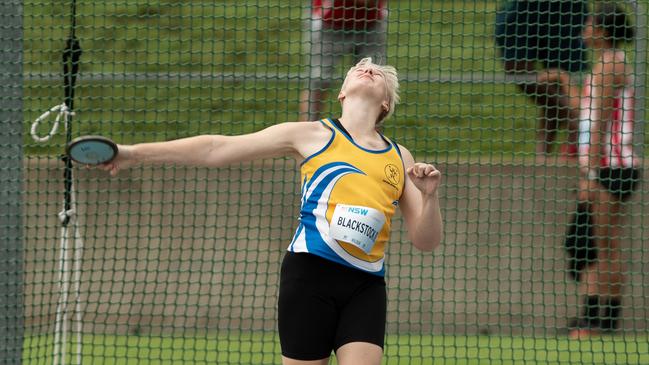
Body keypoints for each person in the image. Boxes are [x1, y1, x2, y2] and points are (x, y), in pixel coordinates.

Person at [99, 58, 444, 364]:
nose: (367, 69)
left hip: (365, 286)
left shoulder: (401, 158)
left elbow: (426, 241)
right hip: (309, 278)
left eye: (378, 73)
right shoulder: (311, 134)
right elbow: (217, 148)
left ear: (385, 103)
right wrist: (134, 153)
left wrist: (429, 198)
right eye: (359, 68)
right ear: (341, 92)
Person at [543, 3, 640, 339]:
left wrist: (589, 175)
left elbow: (597, 126)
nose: (584, 30)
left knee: (602, 245)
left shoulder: (610, 65)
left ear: (602, 31)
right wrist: (563, 81)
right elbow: (586, 113)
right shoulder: (604, 65)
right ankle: (598, 319)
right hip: (609, 167)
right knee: (599, 243)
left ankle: (598, 321)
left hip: (610, 168)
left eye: (589, 24)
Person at [494, 0, 590, 161]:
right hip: (523, 6)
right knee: (517, 66)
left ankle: (550, 155)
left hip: (565, 7)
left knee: (561, 78)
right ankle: (579, 122)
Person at [300, 0, 388, 121]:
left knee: (374, 81)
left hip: (371, 22)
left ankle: (370, 136)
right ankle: (308, 133)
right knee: (319, 82)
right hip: (330, 21)